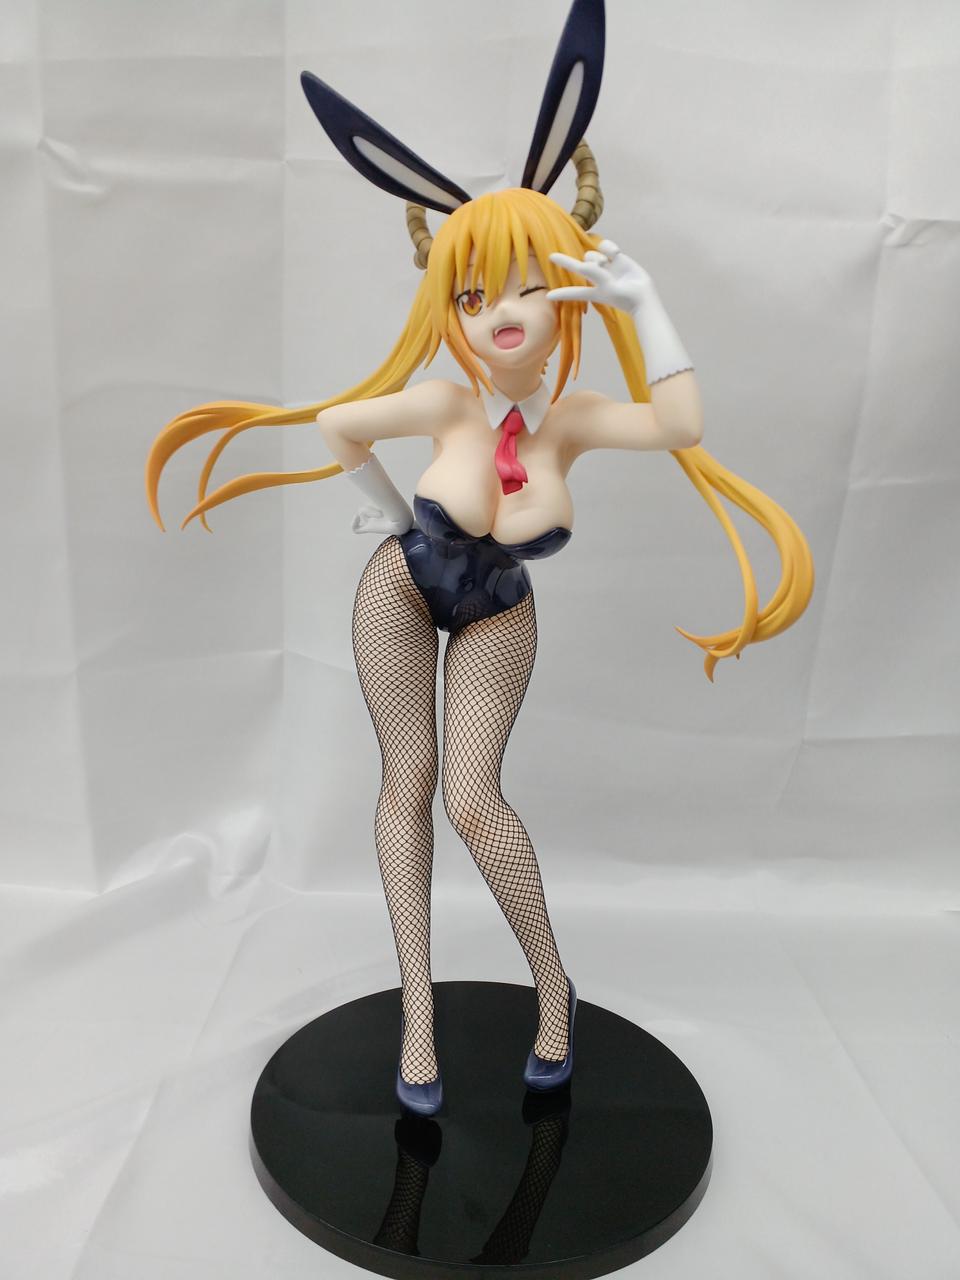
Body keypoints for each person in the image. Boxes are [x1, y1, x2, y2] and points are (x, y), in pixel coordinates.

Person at [145, 0, 813, 1118]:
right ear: (446, 305)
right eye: (471, 292)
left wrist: (646, 303)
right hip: (402, 588)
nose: (499, 311)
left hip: (499, 604)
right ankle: (417, 1014)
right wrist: (385, 516)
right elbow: (337, 427)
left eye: (524, 284)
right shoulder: (447, 401)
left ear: (566, 287)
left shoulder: (573, 419)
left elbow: (682, 425)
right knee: (404, 785)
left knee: (472, 798)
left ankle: (553, 990)